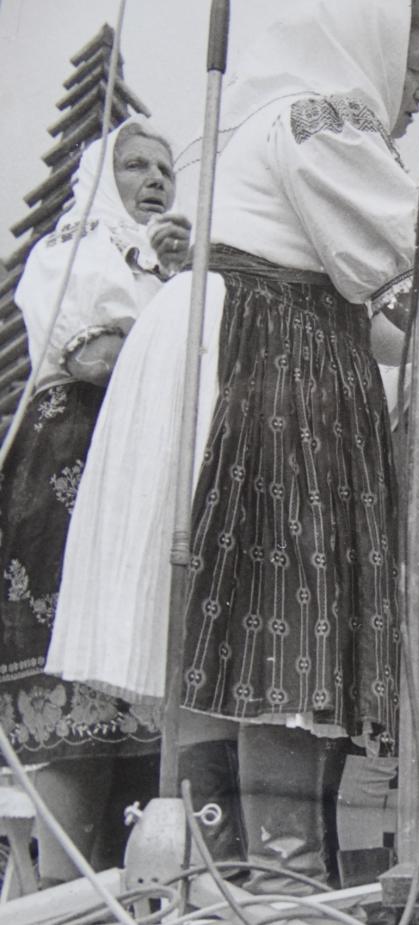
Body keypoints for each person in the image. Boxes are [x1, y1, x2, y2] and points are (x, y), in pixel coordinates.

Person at [52, 0, 419, 893]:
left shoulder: (269, 121)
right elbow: (410, 288)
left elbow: (369, 318)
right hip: (266, 362)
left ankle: (231, 873)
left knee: (226, 624)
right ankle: (278, 878)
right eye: (413, 68)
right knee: (278, 615)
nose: (416, 95)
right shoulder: (322, 117)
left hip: (252, 343)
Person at [0, 118, 190, 885]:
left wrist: (180, 281)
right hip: (73, 478)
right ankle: (61, 894)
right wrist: (174, 312)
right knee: (77, 723)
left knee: (143, 752)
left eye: (165, 168)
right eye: (135, 165)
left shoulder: (165, 270)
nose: (155, 179)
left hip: (145, 481)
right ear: (101, 178)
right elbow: (97, 355)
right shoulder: (73, 249)